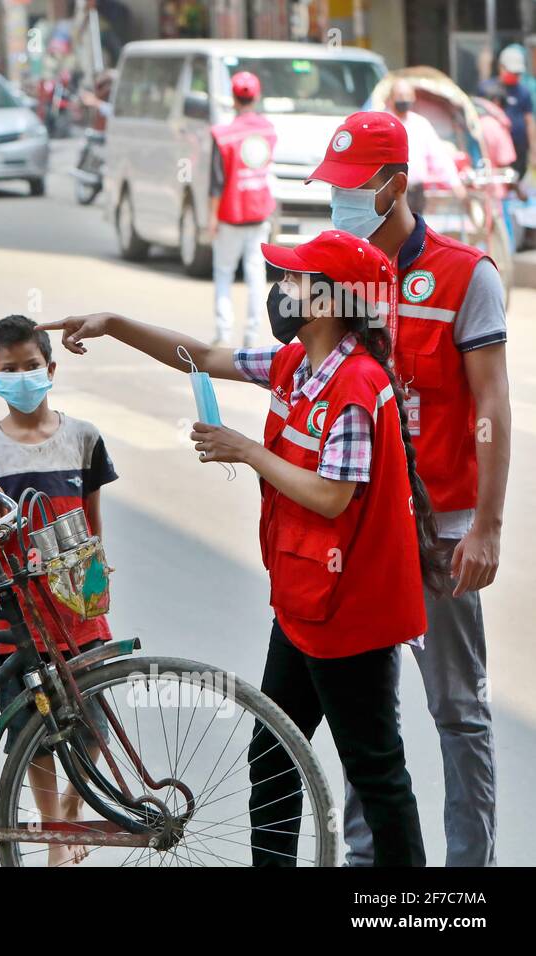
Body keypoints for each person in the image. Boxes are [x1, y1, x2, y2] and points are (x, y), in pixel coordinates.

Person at [39, 228, 442, 866]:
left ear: (330, 301)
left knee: (375, 772)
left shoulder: (356, 388)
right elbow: (200, 355)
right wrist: (113, 323)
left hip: (352, 616)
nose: (281, 290)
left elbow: (333, 496)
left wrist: (244, 449)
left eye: (293, 279)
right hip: (306, 604)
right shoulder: (295, 366)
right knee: (272, 758)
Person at [305, 111, 511, 866]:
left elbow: (491, 406)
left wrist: (485, 527)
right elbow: (275, 364)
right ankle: (375, 863)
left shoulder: (466, 274)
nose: (337, 202)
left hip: (443, 530)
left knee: (458, 711)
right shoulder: (341, 277)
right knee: (369, 713)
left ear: (393, 187)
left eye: (349, 189)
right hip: (364, 534)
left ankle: (469, 869)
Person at [0, 315, 117, 867]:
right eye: (11, 369)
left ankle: (74, 812)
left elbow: (93, 521)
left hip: (80, 606)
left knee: (95, 721)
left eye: (32, 366)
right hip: (19, 612)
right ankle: (55, 829)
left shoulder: (84, 438)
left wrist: (95, 575)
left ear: (51, 369)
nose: (23, 376)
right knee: (33, 727)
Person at [208, 71, 276, 348]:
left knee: (224, 272)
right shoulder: (268, 130)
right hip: (259, 211)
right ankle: (252, 333)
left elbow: (216, 181)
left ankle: (223, 331)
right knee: (255, 273)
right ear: (256, 96)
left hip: (231, 214)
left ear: (233, 99)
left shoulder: (223, 135)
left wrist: (212, 218)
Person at [386, 80, 466, 214]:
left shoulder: (420, 124)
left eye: (407, 96)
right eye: (400, 96)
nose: (404, 100)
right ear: (391, 99)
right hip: (388, 192)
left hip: (415, 192)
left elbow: (438, 155)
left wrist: (455, 183)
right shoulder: (383, 123)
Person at [492, 45, 535, 178]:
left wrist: (533, 150)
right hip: (498, 152)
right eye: (512, 72)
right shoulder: (489, 89)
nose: (515, 76)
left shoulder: (523, 91)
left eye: (517, 74)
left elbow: (529, 121)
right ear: (501, 67)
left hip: (520, 148)